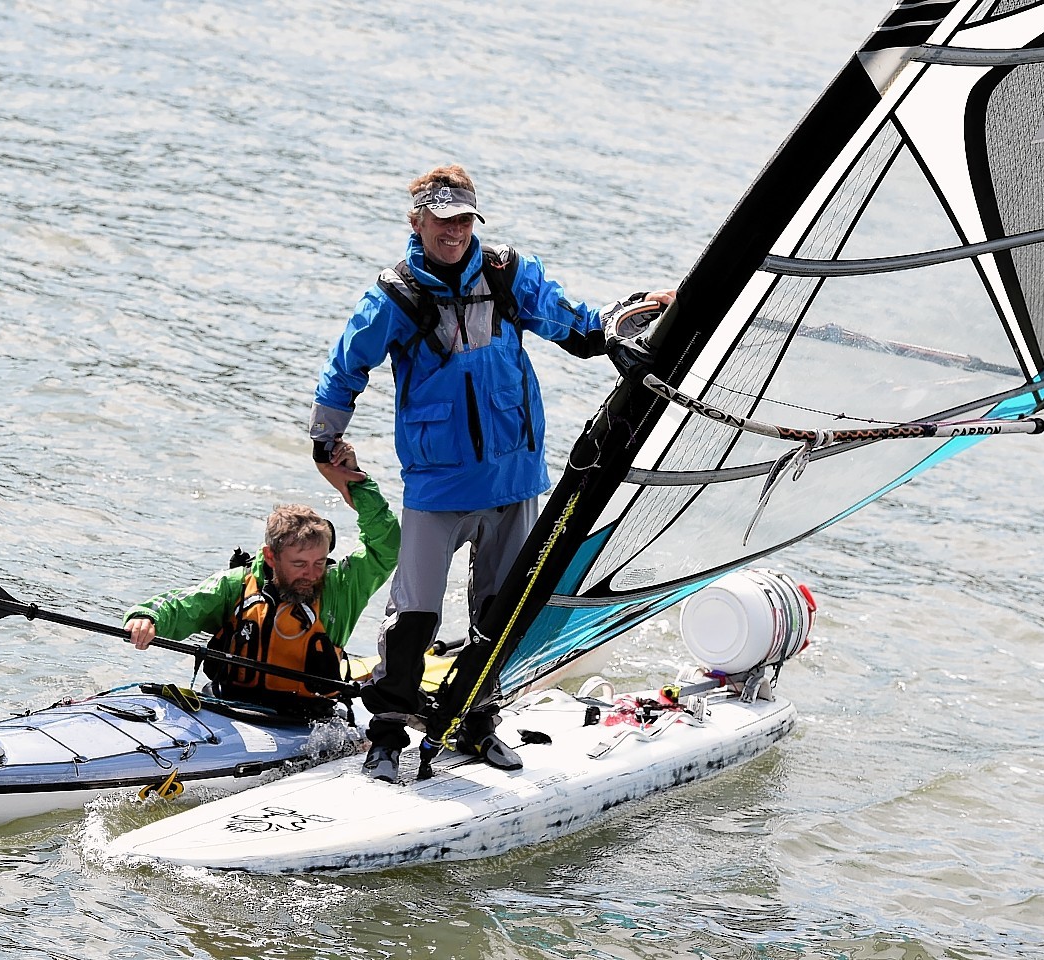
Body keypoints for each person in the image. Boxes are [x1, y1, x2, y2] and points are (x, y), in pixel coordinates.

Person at [308, 164, 675, 781]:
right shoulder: (393, 297)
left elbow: (580, 327)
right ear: (417, 221)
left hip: (514, 480)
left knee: (498, 615)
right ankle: (388, 736)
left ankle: (476, 726)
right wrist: (326, 442)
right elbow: (345, 369)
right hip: (439, 484)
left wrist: (644, 312)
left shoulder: (509, 276)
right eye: (440, 220)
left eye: (462, 221)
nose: (452, 232)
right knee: (415, 616)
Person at [124, 442, 399, 718]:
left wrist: (358, 485)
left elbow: (387, 545)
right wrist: (148, 617)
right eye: (299, 564)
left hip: (308, 717)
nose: (313, 574)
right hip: (230, 706)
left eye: (319, 562)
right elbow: (183, 607)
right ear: (271, 557)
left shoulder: (340, 587)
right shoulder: (236, 586)